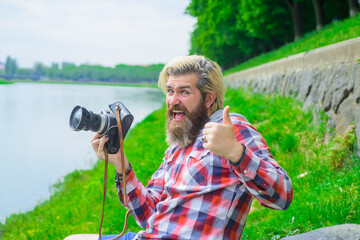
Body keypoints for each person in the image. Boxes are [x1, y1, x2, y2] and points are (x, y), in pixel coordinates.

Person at [65, 55, 293, 240]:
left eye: (184, 92)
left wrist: (236, 153)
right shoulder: (177, 146)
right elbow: (149, 215)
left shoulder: (231, 129)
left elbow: (282, 196)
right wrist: (121, 165)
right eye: (170, 91)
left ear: (209, 98)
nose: (173, 100)